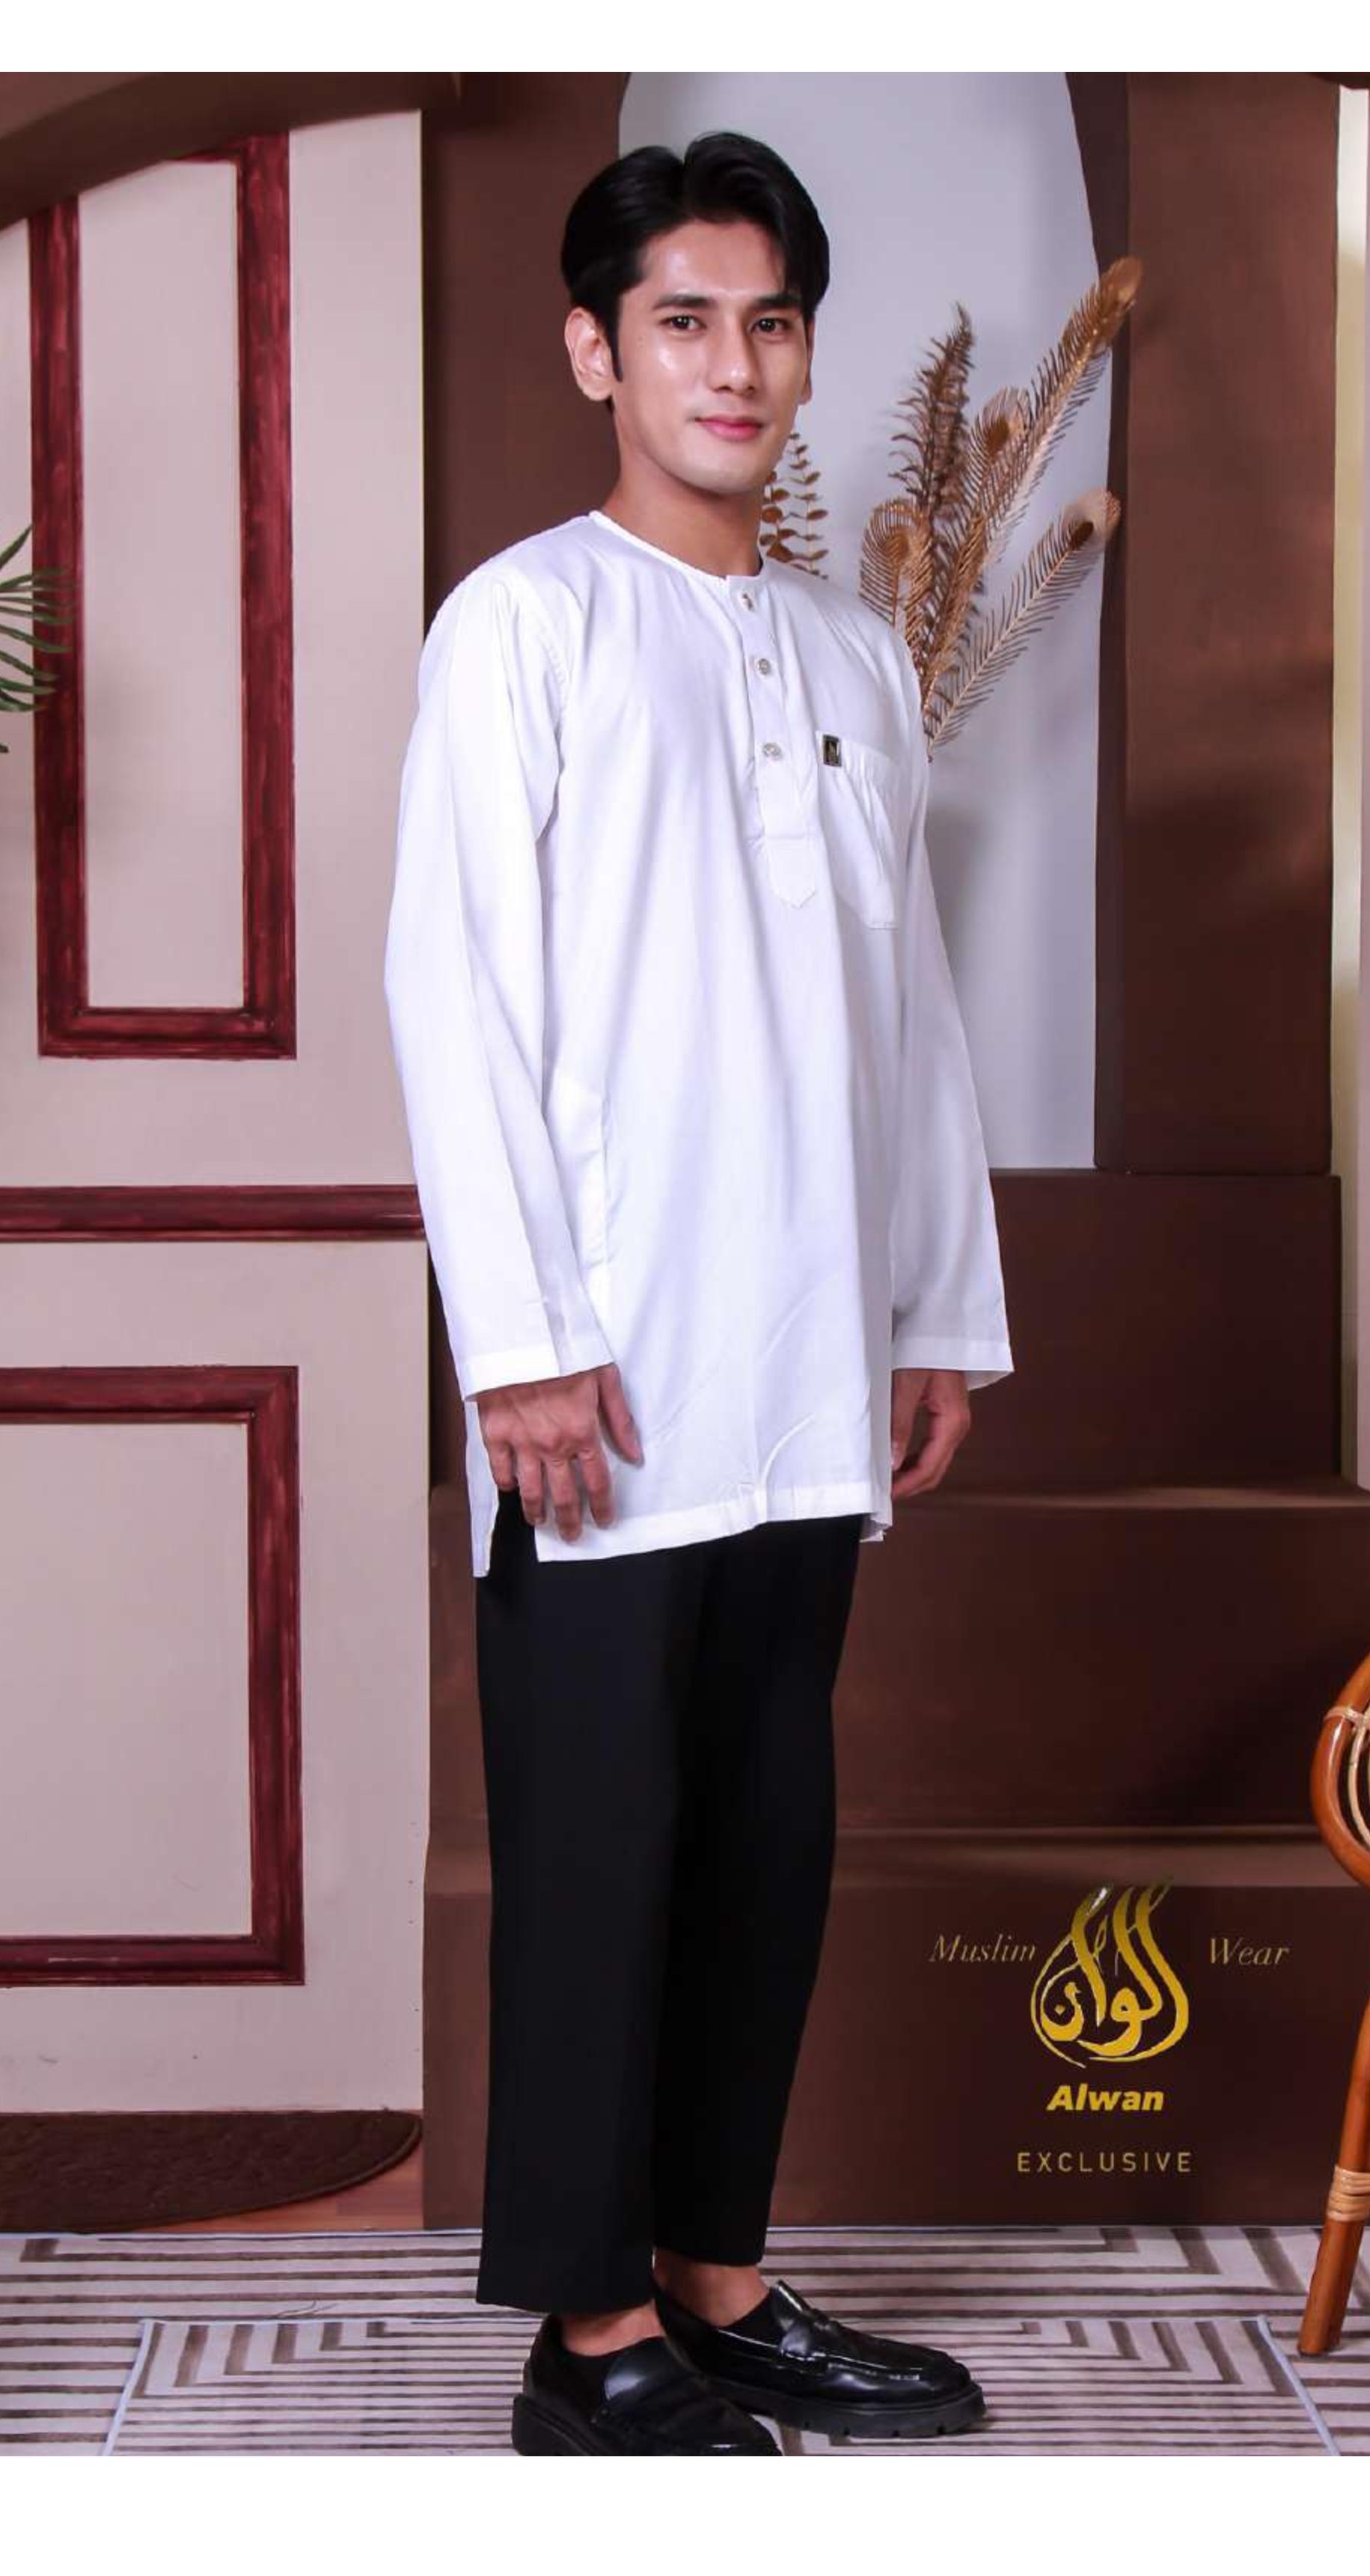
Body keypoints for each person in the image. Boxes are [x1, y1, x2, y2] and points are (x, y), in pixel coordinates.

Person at [383, 129, 1013, 2456]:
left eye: (768, 322)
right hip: (609, 1373)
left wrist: (935, 1305)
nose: (732, 363)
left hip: (807, 1362)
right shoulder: (522, 625)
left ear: (803, 356)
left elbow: (907, 1004)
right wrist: (523, 1340)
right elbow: (452, 990)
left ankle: (719, 2279)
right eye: (682, 321)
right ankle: (589, 2340)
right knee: (599, 1853)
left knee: (763, 1839)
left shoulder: (850, 653)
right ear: (597, 353)